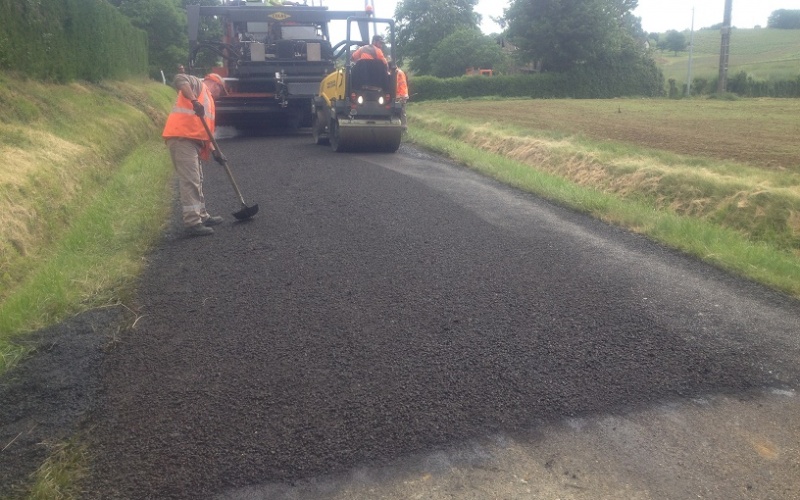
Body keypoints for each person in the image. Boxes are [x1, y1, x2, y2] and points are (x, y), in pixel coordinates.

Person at [162, 72, 228, 236]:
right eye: (222, 91)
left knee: (197, 179)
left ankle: (202, 216)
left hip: (192, 141)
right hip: (182, 137)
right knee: (191, 180)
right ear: (216, 84)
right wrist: (193, 100)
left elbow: (207, 133)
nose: (220, 96)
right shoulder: (199, 86)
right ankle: (193, 223)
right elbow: (179, 79)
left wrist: (215, 152)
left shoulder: (209, 101)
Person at [390, 60, 409, 129]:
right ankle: (403, 128)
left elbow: (395, 85)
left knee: (398, 112)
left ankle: (401, 128)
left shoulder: (396, 73)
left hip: (400, 95)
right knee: (402, 112)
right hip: (403, 95)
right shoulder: (401, 72)